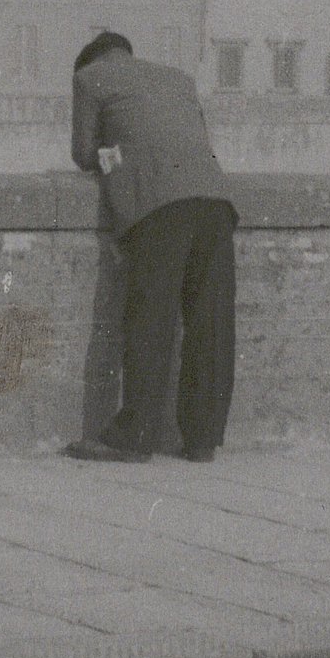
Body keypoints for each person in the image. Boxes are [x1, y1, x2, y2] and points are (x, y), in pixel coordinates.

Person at [65, 30, 238, 464]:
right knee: (211, 322)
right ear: (127, 49)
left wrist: (111, 153)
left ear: (90, 61)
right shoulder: (178, 77)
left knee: (150, 317)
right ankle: (202, 439)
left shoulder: (90, 79)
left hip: (159, 205)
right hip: (215, 201)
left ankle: (136, 434)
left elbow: (84, 153)